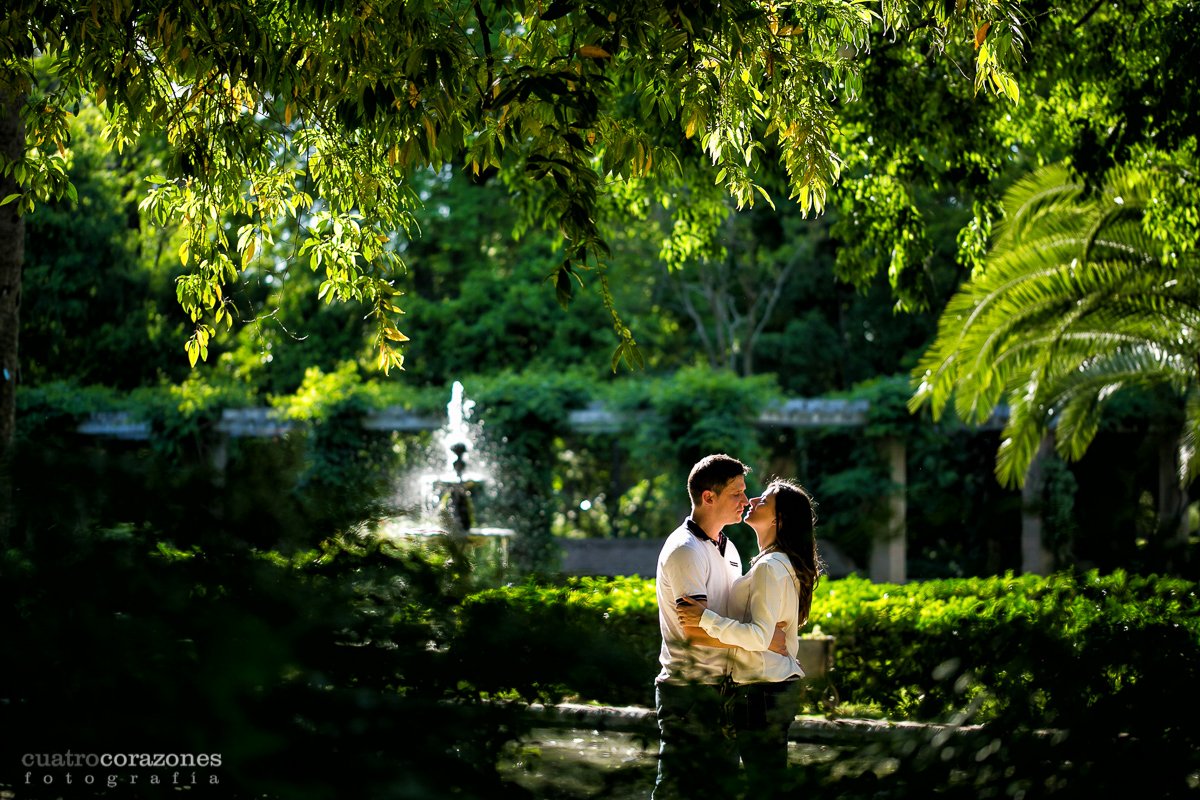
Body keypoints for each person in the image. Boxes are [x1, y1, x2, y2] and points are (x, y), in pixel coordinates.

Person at [677, 478, 823, 798]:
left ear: (777, 519)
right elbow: (767, 636)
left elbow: (759, 635)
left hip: (763, 693)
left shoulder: (771, 566)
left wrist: (704, 618)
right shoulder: (775, 562)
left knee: (764, 787)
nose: (754, 499)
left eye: (765, 500)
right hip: (769, 689)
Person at [652, 454, 787, 800]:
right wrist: (762, 641)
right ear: (708, 497)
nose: (746, 501)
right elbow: (694, 633)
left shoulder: (729, 548)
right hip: (690, 692)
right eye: (736, 493)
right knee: (678, 790)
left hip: (724, 689)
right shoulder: (685, 549)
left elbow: (720, 621)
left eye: (744, 492)